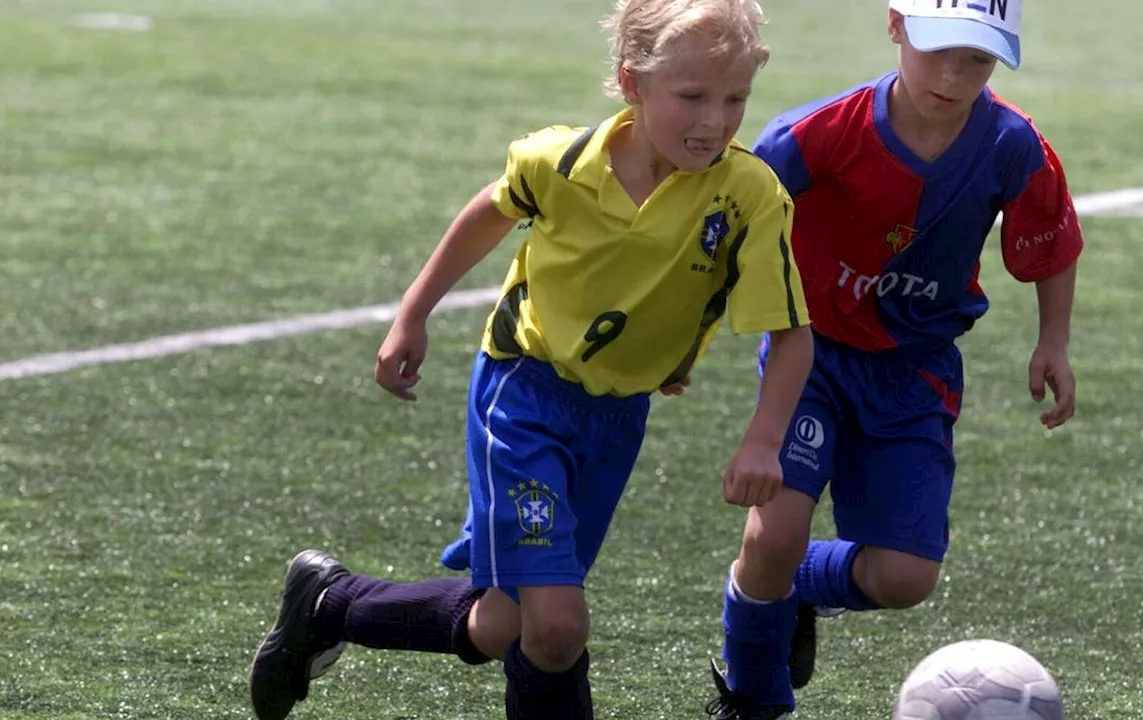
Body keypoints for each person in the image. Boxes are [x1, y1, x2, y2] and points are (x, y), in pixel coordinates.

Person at [248, 1, 814, 719]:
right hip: (524, 392)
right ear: (632, 83)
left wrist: (764, 438)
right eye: (693, 96)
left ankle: (333, 603)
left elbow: (792, 331)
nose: (716, 119)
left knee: (502, 623)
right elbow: (490, 208)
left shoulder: (749, 194)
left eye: (736, 99)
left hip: (618, 415)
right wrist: (412, 314)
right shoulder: (559, 162)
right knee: (556, 626)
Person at [705, 0, 1083, 717]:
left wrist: (1053, 341)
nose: (952, 74)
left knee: (905, 577)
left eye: (977, 59)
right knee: (776, 532)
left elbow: (1055, 240)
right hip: (810, 356)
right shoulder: (810, 136)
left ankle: (795, 588)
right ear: (895, 27)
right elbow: (725, 232)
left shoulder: (1013, 145)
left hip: (915, 371)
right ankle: (753, 696)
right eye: (938, 48)